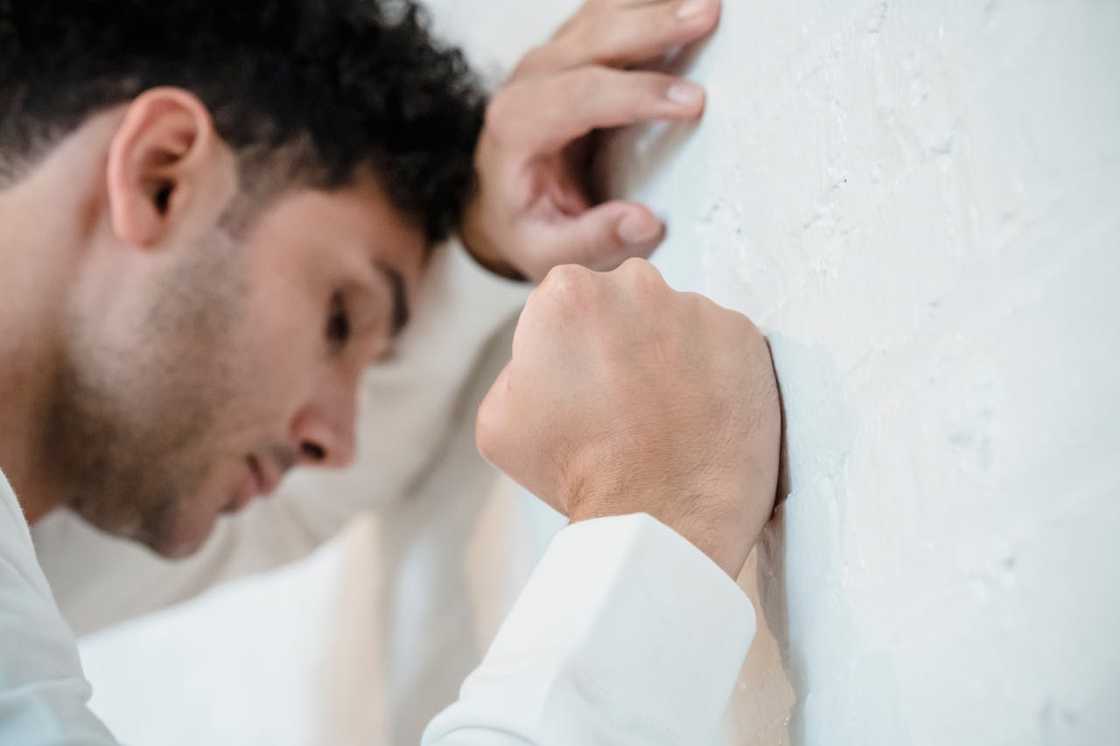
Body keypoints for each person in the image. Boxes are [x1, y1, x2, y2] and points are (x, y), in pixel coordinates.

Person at [0, 0, 781, 744]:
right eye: (341, 318)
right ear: (161, 175)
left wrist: (482, 247)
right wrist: (650, 535)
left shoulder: (55, 542)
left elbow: (301, 508)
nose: (337, 442)